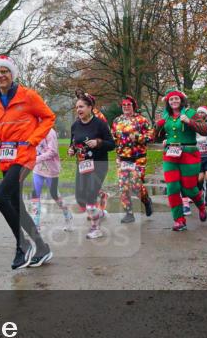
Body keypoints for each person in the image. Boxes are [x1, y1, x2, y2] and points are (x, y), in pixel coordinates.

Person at [0, 55, 55, 269]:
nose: (0, 75)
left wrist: (34, 139)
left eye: (5, 71)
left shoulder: (28, 95)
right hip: (6, 157)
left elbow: (48, 117)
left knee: (0, 198)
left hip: (24, 156)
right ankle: (42, 247)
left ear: (12, 74)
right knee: (17, 206)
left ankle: (22, 245)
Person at [153, 89, 207, 232]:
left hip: (189, 153)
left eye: (176, 99)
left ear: (181, 100)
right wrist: (161, 133)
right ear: (168, 102)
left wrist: (189, 122)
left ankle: (201, 206)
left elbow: (206, 130)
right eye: (171, 100)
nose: (174, 102)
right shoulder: (165, 116)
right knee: (172, 188)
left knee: (189, 188)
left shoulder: (191, 113)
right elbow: (155, 137)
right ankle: (179, 220)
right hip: (170, 154)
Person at [69, 92, 115, 239]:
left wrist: (98, 142)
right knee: (80, 198)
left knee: (89, 196)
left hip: (99, 164)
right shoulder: (75, 125)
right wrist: (71, 149)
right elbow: (74, 143)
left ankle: (96, 229)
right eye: (77, 107)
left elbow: (112, 144)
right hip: (82, 165)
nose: (78, 110)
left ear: (90, 107)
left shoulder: (100, 124)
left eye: (81, 106)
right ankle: (100, 210)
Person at [111, 95, 153, 223]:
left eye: (128, 105)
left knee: (135, 185)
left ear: (133, 106)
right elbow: (112, 136)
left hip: (138, 158)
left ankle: (146, 200)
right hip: (122, 158)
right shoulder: (117, 121)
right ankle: (129, 213)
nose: (126, 107)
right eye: (124, 105)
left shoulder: (141, 120)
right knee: (123, 186)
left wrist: (139, 137)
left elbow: (151, 136)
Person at [29, 127, 73, 232]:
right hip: (38, 168)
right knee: (35, 193)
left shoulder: (50, 132)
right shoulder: (32, 130)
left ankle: (68, 215)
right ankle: (36, 224)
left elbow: (52, 152)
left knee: (54, 194)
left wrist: (36, 159)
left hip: (51, 169)